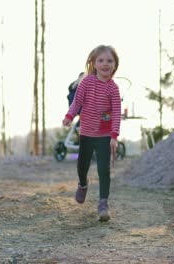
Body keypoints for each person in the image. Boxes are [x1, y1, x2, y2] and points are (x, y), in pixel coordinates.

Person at [62, 45, 121, 222]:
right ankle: (83, 184)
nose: (105, 64)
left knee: (104, 170)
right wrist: (69, 116)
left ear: (115, 65)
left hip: (104, 136)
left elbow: (116, 113)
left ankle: (103, 204)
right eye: (101, 60)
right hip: (87, 134)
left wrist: (114, 136)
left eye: (109, 61)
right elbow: (77, 102)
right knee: (82, 167)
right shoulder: (86, 82)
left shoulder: (113, 88)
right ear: (94, 63)